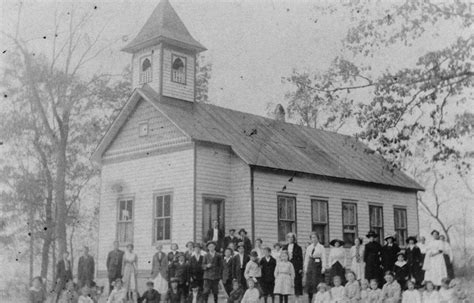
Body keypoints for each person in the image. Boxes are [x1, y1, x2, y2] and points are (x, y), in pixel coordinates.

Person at [304, 232, 326, 303]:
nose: (314, 239)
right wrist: (305, 267)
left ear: (318, 238)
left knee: (317, 283)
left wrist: (323, 267)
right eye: (312, 238)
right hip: (310, 265)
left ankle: (319, 300)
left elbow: (324, 258)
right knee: (310, 284)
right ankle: (309, 300)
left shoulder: (321, 247)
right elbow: (306, 258)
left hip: (318, 266)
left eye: (315, 237)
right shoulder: (309, 247)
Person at [282, 232, 303, 298]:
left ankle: (297, 298)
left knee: (297, 282)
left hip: (296, 266)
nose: (290, 239)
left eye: (292, 237)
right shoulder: (285, 247)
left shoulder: (298, 247)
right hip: (286, 266)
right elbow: (282, 257)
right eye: (289, 237)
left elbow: (300, 258)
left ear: (294, 239)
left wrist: (300, 268)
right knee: (286, 281)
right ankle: (286, 298)